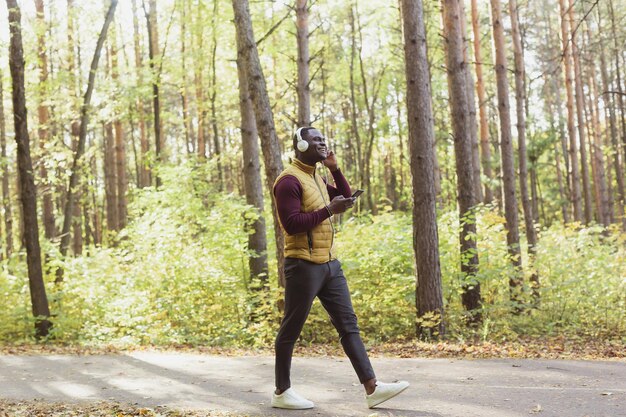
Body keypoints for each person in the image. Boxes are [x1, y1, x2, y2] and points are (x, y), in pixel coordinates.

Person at [271, 126, 409, 410]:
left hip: (330, 265)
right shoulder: (288, 181)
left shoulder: (316, 177)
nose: (323, 143)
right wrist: (328, 211)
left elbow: (346, 199)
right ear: (300, 145)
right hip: (303, 265)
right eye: (316, 140)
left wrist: (334, 170)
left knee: (349, 325)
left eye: (323, 139)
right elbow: (292, 224)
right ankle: (282, 391)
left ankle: (372, 389)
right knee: (291, 329)